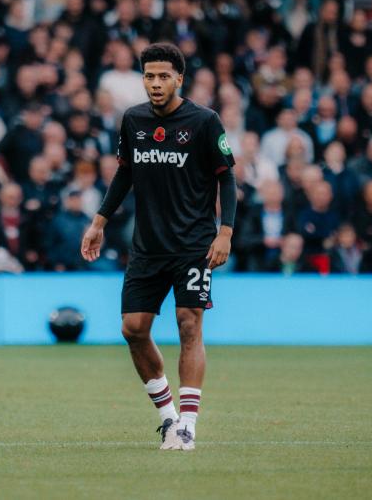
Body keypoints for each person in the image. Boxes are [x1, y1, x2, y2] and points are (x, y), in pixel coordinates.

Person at [81, 42, 237, 451]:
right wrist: (99, 221)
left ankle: (188, 424)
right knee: (133, 330)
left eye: (163, 75)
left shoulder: (205, 122)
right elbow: (124, 174)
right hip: (147, 248)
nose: (155, 83)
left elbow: (227, 178)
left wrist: (226, 231)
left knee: (189, 324)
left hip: (193, 246)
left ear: (179, 79)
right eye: (149, 76)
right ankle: (167, 417)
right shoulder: (133, 121)